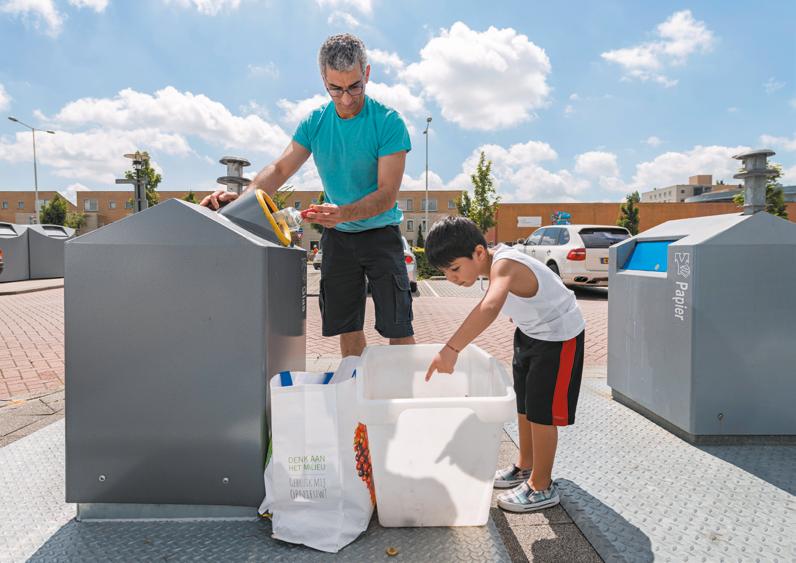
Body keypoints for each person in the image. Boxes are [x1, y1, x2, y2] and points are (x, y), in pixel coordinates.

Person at [201, 33, 415, 356]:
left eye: (355, 86)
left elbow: (386, 195)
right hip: (339, 240)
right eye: (336, 89)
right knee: (348, 328)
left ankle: (403, 402)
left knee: (399, 328)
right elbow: (280, 169)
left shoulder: (388, 123)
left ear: (367, 74)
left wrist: (343, 213)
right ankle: (356, 397)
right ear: (324, 81)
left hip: (380, 234)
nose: (346, 99)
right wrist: (243, 201)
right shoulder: (315, 123)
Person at [423, 216, 585, 513]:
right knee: (524, 405)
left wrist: (451, 349)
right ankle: (525, 465)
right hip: (531, 333)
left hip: (559, 337)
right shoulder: (493, 264)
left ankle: (542, 485)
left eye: (455, 268)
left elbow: (490, 306)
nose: (452, 278)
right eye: (445, 273)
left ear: (479, 253)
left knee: (542, 413)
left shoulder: (505, 263)